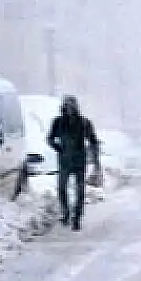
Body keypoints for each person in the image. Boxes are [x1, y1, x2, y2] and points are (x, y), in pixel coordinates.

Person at [47, 94, 101, 230]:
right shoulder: (58, 122)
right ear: (63, 108)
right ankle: (65, 213)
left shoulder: (84, 123)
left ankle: (76, 217)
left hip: (79, 161)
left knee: (80, 190)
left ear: (76, 108)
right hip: (64, 160)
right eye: (67, 106)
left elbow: (93, 141)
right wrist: (58, 148)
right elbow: (50, 138)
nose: (69, 109)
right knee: (61, 188)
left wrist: (95, 161)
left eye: (72, 107)